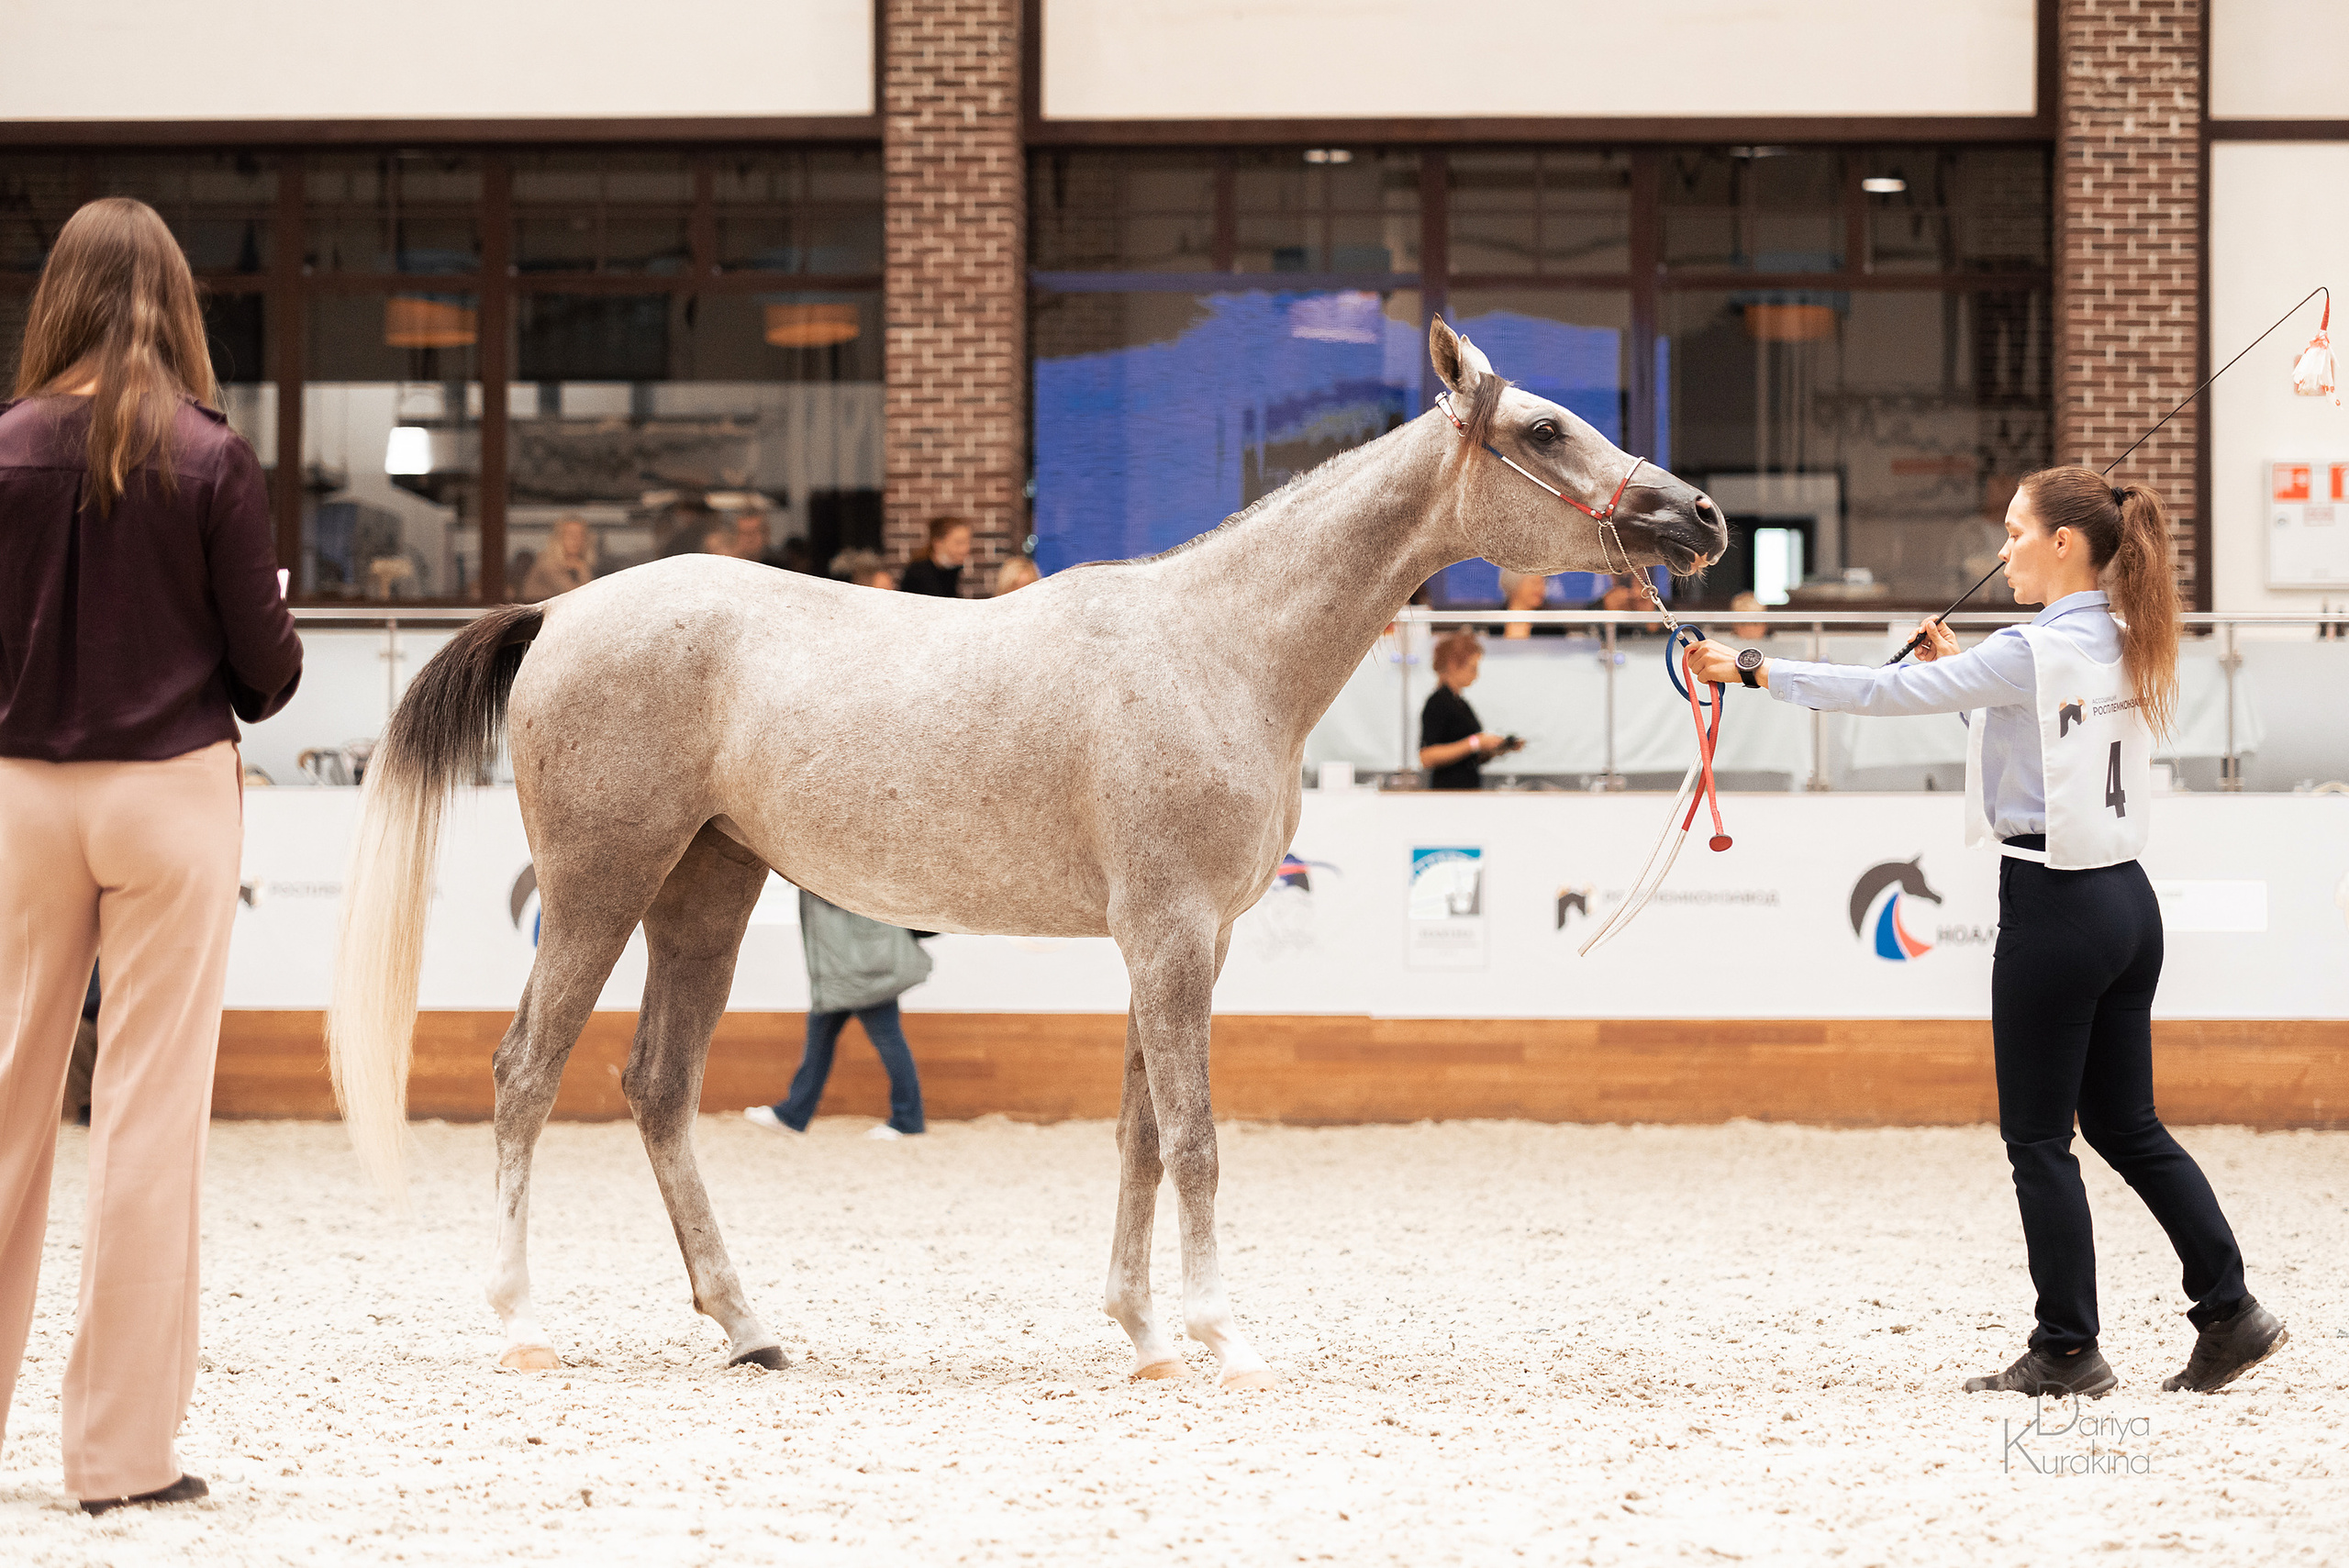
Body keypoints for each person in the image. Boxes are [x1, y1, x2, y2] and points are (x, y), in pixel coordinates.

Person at [1689, 467, 2287, 1399]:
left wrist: (1757, 667)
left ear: (2063, 544)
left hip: (2053, 904)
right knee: (2126, 1124)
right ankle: (2229, 1307)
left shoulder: (2028, 648)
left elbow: (1876, 697)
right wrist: (1957, 673)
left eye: (2014, 532)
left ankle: (2065, 1348)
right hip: (2126, 900)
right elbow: (2038, 739)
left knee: (2039, 1138)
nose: (2000, 549)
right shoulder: (2121, 633)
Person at [0, 197, 303, 1514]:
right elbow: (270, 678)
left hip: (18, 798)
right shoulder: (212, 457)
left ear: (56, 300)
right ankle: (120, 1461)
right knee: (146, 1121)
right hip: (172, 795)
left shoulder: (2, 452)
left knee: (6, 1106)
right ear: (176, 302)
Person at [743, 890, 930, 1140]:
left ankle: (908, 1120)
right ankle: (792, 1114)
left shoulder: (839, 873)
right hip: (848, 971)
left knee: (887, 1040)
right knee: (823, 1037)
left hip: (860, 971)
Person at [1417, 631, 1520, 791]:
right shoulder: (1438, 702)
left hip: (1467, 787)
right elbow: (1427, 756)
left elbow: (1468, 756)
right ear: (1452, 665)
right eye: (1472, 669)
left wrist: (1495, 749)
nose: (1476, 675)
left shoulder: (1461, 704)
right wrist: (1475, 743)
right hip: (1448, 792)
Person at [520, 515, 596, 600]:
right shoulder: (548, 565)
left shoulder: (576, 565)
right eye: (570, 534)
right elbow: (579, 596)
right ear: (559, 538)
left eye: (580, 534)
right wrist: (583, 570)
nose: (576, 539)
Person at [897, 516, 973, 597]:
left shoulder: (950, 569)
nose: (966, 548)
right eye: (959, 543)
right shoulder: (919, 573)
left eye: (967, 542)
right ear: (938, 543)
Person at [1495, 571, 1564, 639]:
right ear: (1514, 584)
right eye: (1534, 583)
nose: (1540, 588)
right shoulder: (1492, 622)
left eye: (1543, 583)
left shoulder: (1551, 627)